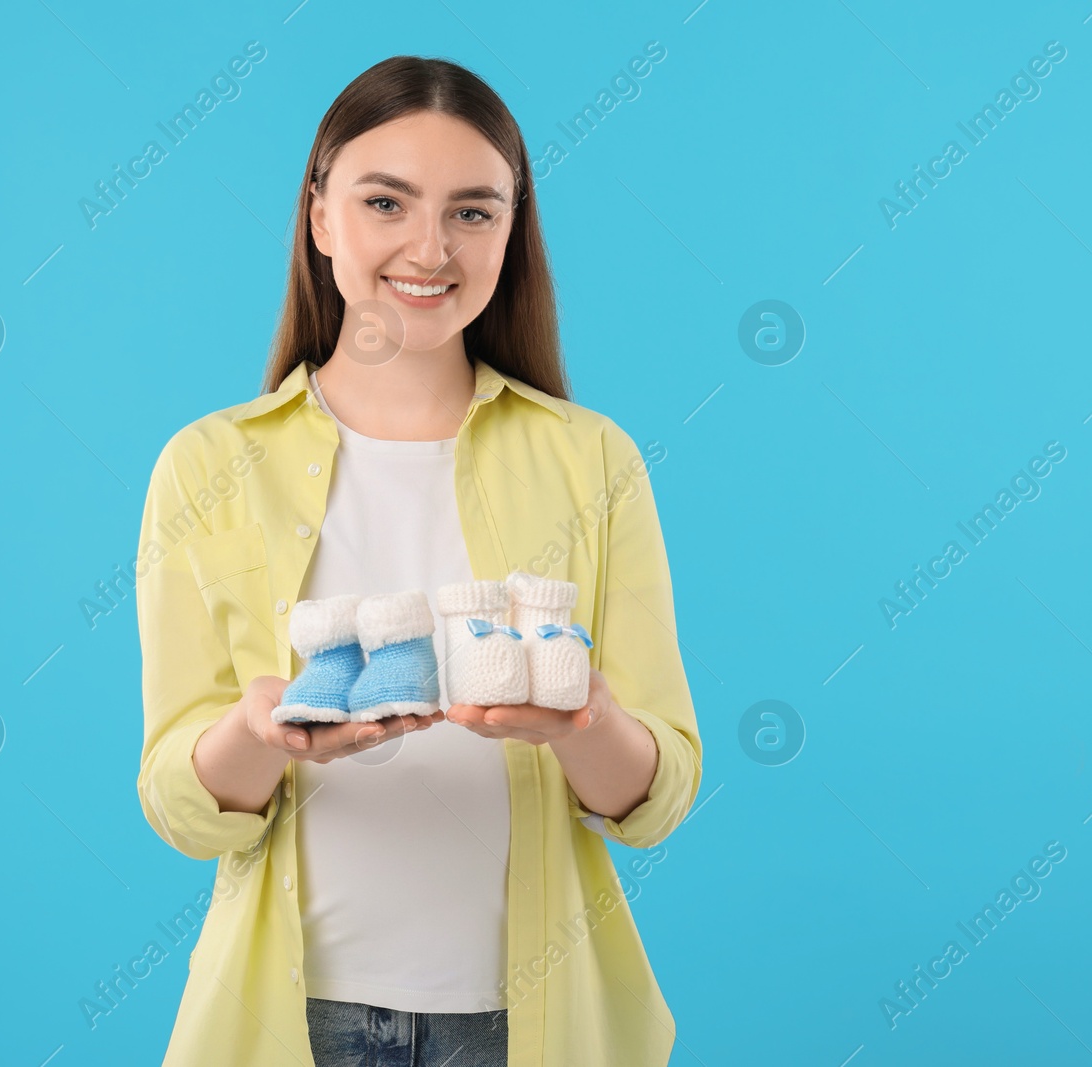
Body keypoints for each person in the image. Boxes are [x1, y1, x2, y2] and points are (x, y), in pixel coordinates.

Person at [135, 55, 701, 1067]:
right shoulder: (209, 465)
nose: (428, 247)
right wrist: (263, 730)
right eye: (385, 201)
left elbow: (653, 797)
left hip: (530, 1021)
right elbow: (183, 804)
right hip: (290, 1017)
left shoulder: (592, 460)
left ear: (510, 232)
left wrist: (583, 719)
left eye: (473, 212)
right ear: (319, 216)